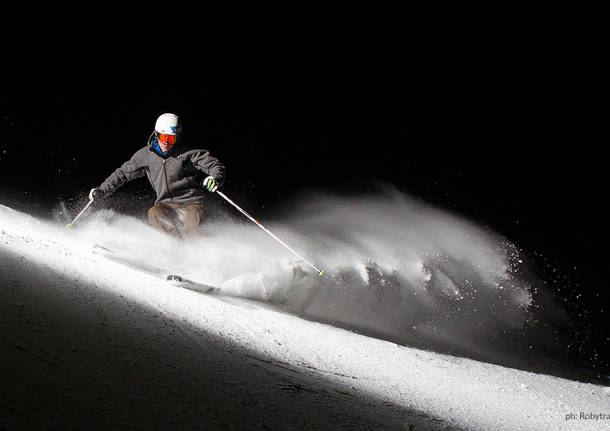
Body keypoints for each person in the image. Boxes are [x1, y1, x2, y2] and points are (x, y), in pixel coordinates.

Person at [89, 113, 226, 238]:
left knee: (191, 224)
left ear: (177, 138)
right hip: (165, 203)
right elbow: (122, 174)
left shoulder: (188, 153)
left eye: (171, 138)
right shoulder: (145, 155)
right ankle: (175, 248)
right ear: (156, 134)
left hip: (191, 202)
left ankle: (199, 253)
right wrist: (102, 190)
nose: (166, 142)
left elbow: (215, 166)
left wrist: (215, 179)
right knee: (154, 213)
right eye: (163, 137)